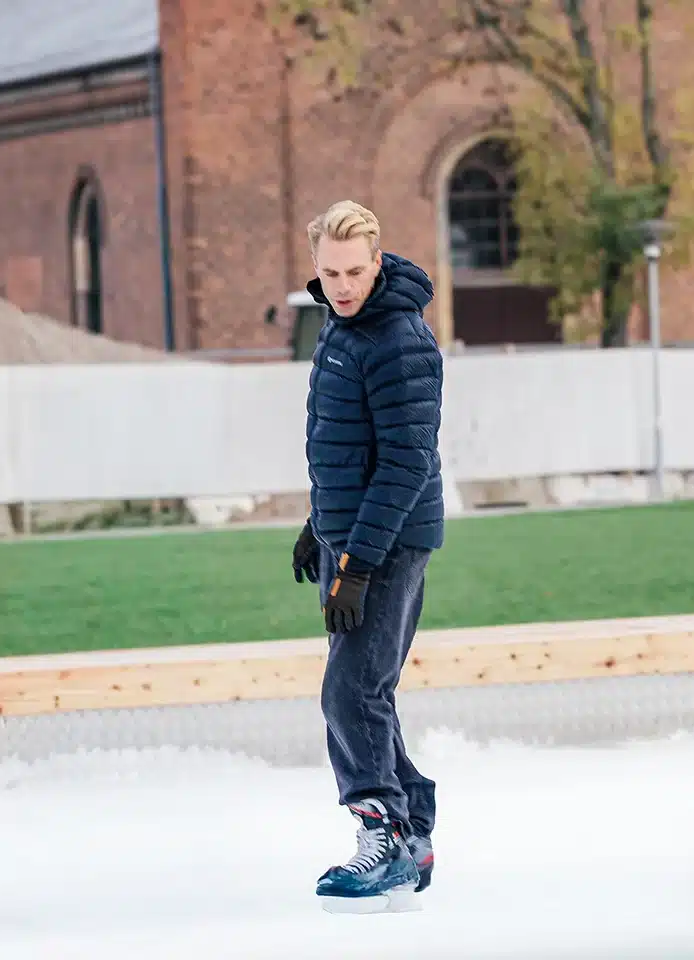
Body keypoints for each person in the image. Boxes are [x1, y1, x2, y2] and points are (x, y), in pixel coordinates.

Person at [291, 199, 444, 913]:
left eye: (355, 272)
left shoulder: (400, 340)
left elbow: (406, 465)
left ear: (378, 262)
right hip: (346, 533)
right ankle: (412, 827)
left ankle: (382, 836)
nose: (343, 286)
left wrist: (355, 564)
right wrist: (315, 522)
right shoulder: (339, 327)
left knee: (348, 691)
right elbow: (345, 445)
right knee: (367, 690)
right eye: (330, 273)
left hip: (386, 541)